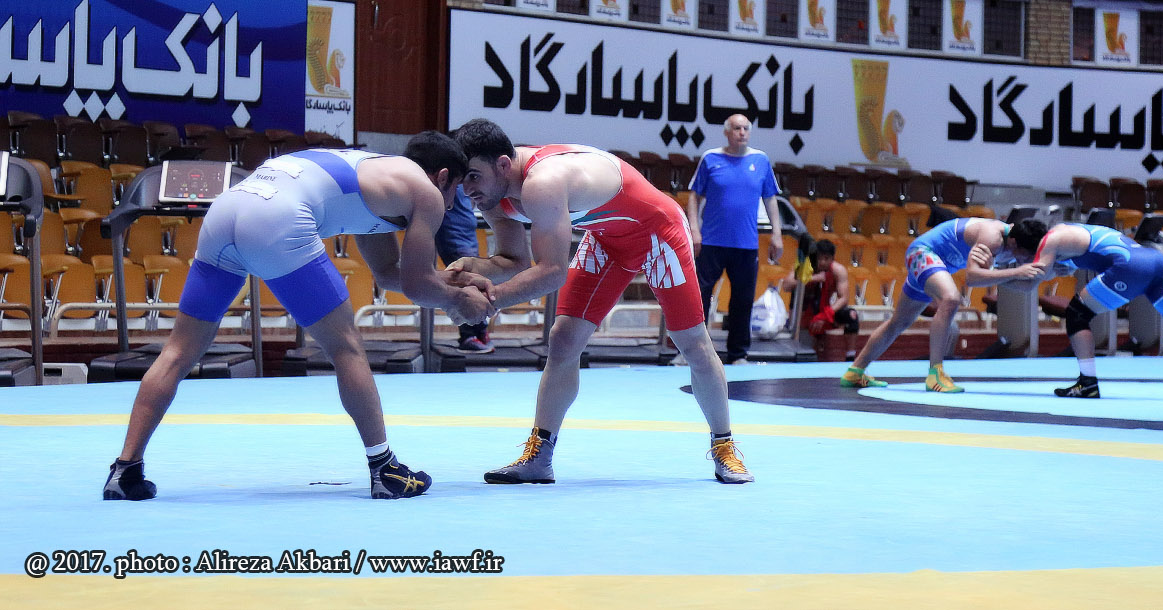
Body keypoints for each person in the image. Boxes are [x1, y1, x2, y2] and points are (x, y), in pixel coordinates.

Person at [103, 133, 493, 501]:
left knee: (178, 351)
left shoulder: (379, 177)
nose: (452, 202)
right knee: (346, 348)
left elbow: (391, 275)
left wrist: (454, 283)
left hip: (225, 210)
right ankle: (384, 470)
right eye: (456, 190)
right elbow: (417, 286)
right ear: (443, 177)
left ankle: (125, 470)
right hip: (277, 220)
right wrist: (460, 303)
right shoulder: (428, 193)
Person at [450, 118, 753, 484]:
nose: (467, 190)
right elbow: (513, 262)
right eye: (463, 179)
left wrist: (489, 301)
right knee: (563, 339)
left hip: (658, 232)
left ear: (502, 165)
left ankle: (724, 447)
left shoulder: (542, 182)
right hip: (607, 237)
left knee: (692, 342)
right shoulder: (492, 193)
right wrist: (470, 270)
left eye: (473, 177)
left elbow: (552, 272)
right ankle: (540, 456)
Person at [1023, 222, 1163, 402]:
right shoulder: (1072, 233)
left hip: (1129, 266)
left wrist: (1007, 274)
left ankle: (1088, 383)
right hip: (1156, 261)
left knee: (1077, 313)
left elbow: (1038, 275)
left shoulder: (1052, 240)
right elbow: (1062, 267)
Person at [841, 217, 1046, 392]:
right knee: (951, 299)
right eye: (1027, 255)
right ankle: (935, 374)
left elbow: (1021, 285)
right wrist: (1016, 272)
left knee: (899, 322)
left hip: (937, 263)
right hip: (923, 253)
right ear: (1014, 243)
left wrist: (1034, 275)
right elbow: (973, 278)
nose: (1028, 260)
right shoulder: (992, 236)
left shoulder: (1013, 243)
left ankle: (855, 372)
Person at [686, 113, 782, 365]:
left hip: (746, 244)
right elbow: (694, 195)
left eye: (746, 128)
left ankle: (738, 354)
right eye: (737, 128)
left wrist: (777, 234)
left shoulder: (760, 160)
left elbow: (770, 198)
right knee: (699, 297)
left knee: (742, 299)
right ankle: (692, 351)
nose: (742, 132)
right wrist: (694, 230)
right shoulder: (710, 158)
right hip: (711, 241)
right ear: (727, 132)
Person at [436, 183, 494, 353]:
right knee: (463, 281)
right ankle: (468, 335)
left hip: (467, 231)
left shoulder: (463, 181)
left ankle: (480, 330)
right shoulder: (445, 180)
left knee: (474, 280)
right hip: (453, 234)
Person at [782, 239, 861, 359]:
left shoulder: (838, 271)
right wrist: (813, 278)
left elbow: (844, 299)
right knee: (805, 356)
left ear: (832, 259)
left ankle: (850, 357)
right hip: (803, 315)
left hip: (824, 312)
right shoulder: (804, 266)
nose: (822, 262)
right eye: (819, 258)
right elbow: (786, 286)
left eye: (826, 258)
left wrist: (825, 315)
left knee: (851, 315)